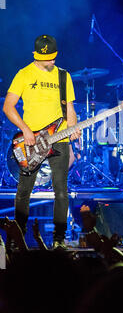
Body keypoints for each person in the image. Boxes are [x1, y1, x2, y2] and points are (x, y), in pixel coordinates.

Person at [3, 35, 81, 249]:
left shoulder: (64, 77)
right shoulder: (24, 74)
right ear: (35, 56)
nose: (50, 62)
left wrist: (73, 130)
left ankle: (59, 240)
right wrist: (26, 130)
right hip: (32, 142)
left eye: (53, 58)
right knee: (24, 191)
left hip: (60, 139)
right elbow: (8, 106)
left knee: (61, 190)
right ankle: (18, 238)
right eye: (45, 59)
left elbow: (70, 109)